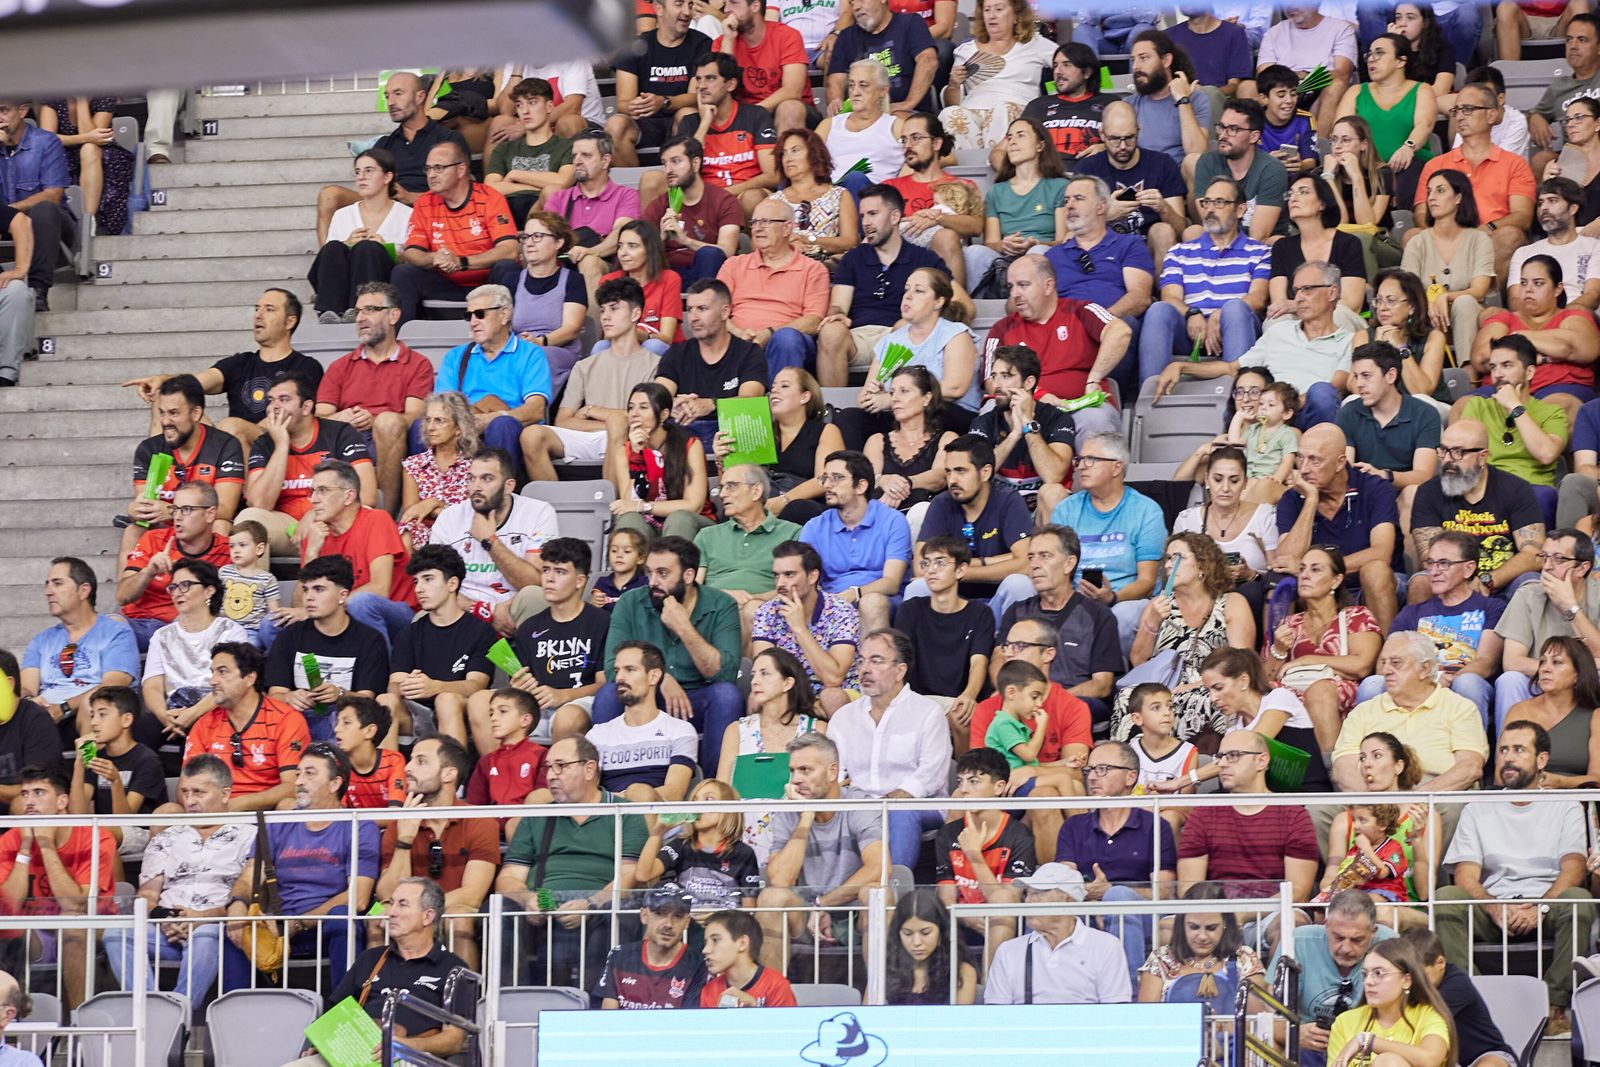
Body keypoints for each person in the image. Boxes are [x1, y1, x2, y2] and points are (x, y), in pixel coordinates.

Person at [1436, 719, 1593, 1027]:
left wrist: (1540, 907)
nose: (1507, 757)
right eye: (1503, 749)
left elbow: (1574, 869)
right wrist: (1495, 907)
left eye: (1519, 750)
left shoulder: (1566, 805)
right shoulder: (1477, 807)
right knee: (1446, 897)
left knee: (1579, 900)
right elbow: (1466, 876)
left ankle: (1553, 1006)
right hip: (1493, 907)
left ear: (1542, 759)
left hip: (1548, 907)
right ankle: (1476, 1006)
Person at [220, 743, 380, 991]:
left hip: (321, 927)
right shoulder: (279, 822)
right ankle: (237, 1018)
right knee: (237, 926)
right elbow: (249, 876)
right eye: (297, 774)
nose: (299, 781)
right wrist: (237, 906)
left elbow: (357, 899)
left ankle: (343, 1016)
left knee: (342, 919)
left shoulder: (359, 826)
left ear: (335, 784)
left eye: (310, 773)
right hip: (279, 925)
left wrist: (297, 923)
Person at [493, 734, 647, 984]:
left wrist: (591, 905)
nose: (551, 775)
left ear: (589, 769)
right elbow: (509, 877)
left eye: (561, 766)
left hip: (599, 905)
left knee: (619, 910)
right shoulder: (537, 816)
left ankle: (596, 1008)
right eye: (548, 768)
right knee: (498, 908)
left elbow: (629, 876)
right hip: (546, 901)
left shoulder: (625, 813)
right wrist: (529, 899)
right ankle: (512, 1001)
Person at [591, 536, 743, 773]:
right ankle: (604, 787)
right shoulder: (631, 602)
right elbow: (612, 667)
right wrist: (659, 678)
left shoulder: (722, 605)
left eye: (663, 573)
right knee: (609, 694)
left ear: (689, 576)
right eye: (649, 572)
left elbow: (726, 674)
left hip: (697, 700)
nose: (653, 582)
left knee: (727, 696)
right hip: (648, 697)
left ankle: (714, 790)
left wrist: (684, 627)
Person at [102, 755, 248, 1002]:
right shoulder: (166, 838)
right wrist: (168, 919)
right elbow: (147, 896)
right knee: (115, 932)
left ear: (225, 794)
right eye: (185, 792)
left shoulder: (248, 835)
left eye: (199, 793)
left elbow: (247, 894)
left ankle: (178, 1018)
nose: (189, 801)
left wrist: (200, 919)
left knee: (205, 935)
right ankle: (149, 1012)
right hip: (168, 929)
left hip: (218, 926)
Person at [281, 878, 471, 1067]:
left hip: (412, 1057)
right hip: (356, 1053)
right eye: (391, 903)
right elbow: (335, 1013)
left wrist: (407, 1045)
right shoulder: (371, 959)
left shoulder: (453, 969)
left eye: (402, 905)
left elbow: (454, 1040)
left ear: (427, 916)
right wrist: (327, 1044)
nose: (391, 912)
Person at [121, 289, 323, 454]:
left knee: (231, 426)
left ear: (289, 322)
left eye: (269, 309)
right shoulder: (241, 362)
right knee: (163, 397)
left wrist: (236, 428)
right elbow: (195, 383)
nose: (258, 315)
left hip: (273, 438)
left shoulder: (305, 366)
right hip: (230, 438)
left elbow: (294, 418)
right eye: (256, 309)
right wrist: (163, 380)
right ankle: (160, 483)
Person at [755, 733, 886, 971]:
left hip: (854, 914)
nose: (796, 779)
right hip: (804, 917)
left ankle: (875, 1000)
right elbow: (780, 880)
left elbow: (879, 868)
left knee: (876, 892)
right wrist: (806, 815)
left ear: (832, 771)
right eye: (793, 770)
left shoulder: (858, 804)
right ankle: (771, 1001)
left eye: (806, 770)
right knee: (770, 897)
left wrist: (822, 904)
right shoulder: (789, 811)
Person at [1110, 534, 1256, 744]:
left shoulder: (1231, 603)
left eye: (1178, 557)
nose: (1169, 565)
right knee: (1129, 697)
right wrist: (1151, 623)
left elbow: (1243, 662)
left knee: (1207, 699)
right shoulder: (1159, 604)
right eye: (1167, 558)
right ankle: (1130, 766)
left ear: (1202, 564)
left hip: (1213, 685)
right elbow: (1138, 662)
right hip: (1164, 685)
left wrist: (1195, 685)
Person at [828, 629, 953, 868]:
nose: (865, 669)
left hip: (919, 805)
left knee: (901, 811)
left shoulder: (927, 712)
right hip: (860, 806)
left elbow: (931, 775)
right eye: (861, 661)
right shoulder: (843, 718)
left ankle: (892, 891)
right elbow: (835, 774)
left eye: (876, 661)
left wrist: (886, 803)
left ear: (900, 670)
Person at [519, 277, 662, 483]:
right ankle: (556, 506)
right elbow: (563, 420)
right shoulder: (585, 365)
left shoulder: (655, 364)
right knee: (531, 435)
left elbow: (646, 420)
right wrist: (613, 424)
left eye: (614, 309)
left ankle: (614, 506)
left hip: (633, 440)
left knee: (619, 423)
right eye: (603, 310)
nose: (605, 317)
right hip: (592, 436)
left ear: (635, 314)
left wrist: (591, 411)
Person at [1055, 740, 1177, 980]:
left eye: (1103, 769)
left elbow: (1162, 893)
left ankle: (1127, 992)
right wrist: (1091, 896)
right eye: (1089, 770)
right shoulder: (1073, 827)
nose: (1092, 777)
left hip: (1140, 914)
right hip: (1086, 909)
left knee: (1118, 897)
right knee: (1047, 908)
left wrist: (1110, 893)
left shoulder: (1154, 826)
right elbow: (1062, 883)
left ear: (1130, 777)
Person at [374, 734, 497, 967]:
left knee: (460, 917)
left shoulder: (480, 821)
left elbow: (472, 894)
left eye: (421, 761)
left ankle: (465, 998)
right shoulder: (397, 823)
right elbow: (385, 893)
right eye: (410, 760)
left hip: (451, 907)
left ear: (449, 774)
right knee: (374, 913)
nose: (408, 768)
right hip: (403, 906)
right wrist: (405, 840)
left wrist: (417, 913)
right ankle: (375, 997)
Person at [0, 766, 117, 1012]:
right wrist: (24, 849)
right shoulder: (11, 838)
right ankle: (9, 1027)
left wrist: (46, 846)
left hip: (92, 925)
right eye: (24, 794)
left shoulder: (95, 837)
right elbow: (8, 905)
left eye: (39, 793)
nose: (29, 802)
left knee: (71, 923)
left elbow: (75, 904)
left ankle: (78, 1028)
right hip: (38, 933)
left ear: (62, 801)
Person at [818, 185, 955, 391]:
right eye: (863, 216)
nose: (866, 223)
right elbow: (838, 305)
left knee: (904, 329)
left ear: (894, 217)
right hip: (860, 336)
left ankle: (885, 403)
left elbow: (962, 304)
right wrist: (836, 314)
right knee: (830, 331)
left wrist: (921, 317)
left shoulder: (924, 258)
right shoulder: (853, 258)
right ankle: (834, 409)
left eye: (873, 214)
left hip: (903, 332)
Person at [981, 255, 1129, 442]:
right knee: (990, 409)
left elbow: (1120, 331)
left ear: (1048, 286)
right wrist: (1037, 395)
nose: (1014, 294)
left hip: (1082, 408)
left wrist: (1094, 379)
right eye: (1011, 287)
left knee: (1096, 419)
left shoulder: (1081, 310)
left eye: (1023, 285)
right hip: (1024, 408)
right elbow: (991, 382)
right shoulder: (1002, 329)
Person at [1142, 177, 1270, 390]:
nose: (1210, 209)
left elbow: (1257, 299)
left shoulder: (1259, 252)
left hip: (1234, 328)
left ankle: (1237, 398)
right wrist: (1192, 314)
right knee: (1158, 310)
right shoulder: (1180, 252)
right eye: (1206, 202)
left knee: (1236, 309)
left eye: (1219, 202)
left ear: (1240, 210)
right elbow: (1170, 297)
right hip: (1190, 331)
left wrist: (1220, 314)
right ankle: (1149, 398)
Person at [1367, 532, 1505, 729]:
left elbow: (1486, 663)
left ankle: (1472, 753)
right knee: (1372, 684)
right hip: (1417, 683)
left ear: (1468, 569)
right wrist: (1430, 682)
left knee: (1468, 683)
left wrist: (1448, 681)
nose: (1434, 571)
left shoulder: (1491, 608)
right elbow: (1384, 664)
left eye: (1443, 563)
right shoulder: (1412, 613)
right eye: (1430, 563)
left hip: (1464, 684)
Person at [314, 283, 432, 512]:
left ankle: (383, 517)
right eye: (358, 311)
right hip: (347, 437)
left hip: (389, 438)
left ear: (393, 315)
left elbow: (415, 415)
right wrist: (342, 417)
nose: (360, 318)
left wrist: (376, 419)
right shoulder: (340, 366)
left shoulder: (418, 364)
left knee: (388, 422)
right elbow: (320, 415)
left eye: (370, 310)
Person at [1274, 426, 1402, 630]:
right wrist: (1311, 501)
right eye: (1301, 458)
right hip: (1318, 590)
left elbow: (1382, 553)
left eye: (1315, 460)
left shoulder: (1374, 488)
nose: (1304, 469)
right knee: (1280, 584)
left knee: (1375, 570)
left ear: (1340, 462)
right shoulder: (1292, 499)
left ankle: (1385, 657)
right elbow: (1285, 560)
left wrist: (1322, 569)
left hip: (1369, 585)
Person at [313, 72, 467, 240]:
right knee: (329, 195)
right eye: (387, 96)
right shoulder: (385, 144)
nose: (391, 102)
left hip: (430, 207)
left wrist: (410, 196)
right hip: (384, 204)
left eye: (398, 94)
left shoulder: (448, 139)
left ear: (420, 97)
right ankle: (328, 260)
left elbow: (462, 192)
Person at [235, 370, 374, 556]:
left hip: (331, 522)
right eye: (270, 400)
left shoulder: (341, 434)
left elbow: (367, 494)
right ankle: (253, 586)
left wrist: (317, 514)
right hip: (287, 528)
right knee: (248, 521)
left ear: (306, 407)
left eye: (283, 399)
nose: (273, 407)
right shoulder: (264, 443)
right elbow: (259, 503)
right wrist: (281, 445)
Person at [1048, 431, 1163, 654]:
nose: (1081, 466)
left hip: (1125, 600)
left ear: (1116, 467)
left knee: (1122, 616)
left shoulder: (1146, 511)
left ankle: (1114, 681)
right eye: (1079, 460)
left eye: (1091, 459)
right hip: (1072, 597)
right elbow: (1055, 569)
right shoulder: (1066, 510)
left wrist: (1112, 597)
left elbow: (1147, 581)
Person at [840, 266, 978, 450]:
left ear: (938, 301)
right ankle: (860, 476)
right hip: (899, 418)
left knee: (937, 413)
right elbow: (864, 397)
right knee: (849, 418)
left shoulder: (954, 334)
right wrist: (874, 395)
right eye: (907, 289)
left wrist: (892, 399)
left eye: (919, 290)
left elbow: (955, 388)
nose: (908, 296)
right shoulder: (890, 341)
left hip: (944, 415)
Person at [1332, 631, 1491, 792]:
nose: (1386, 670)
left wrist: (1415, 800)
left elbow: (1469, 767)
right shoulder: (1363, 711)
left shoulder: (1460, 708)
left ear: (1424, 669)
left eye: (1396, 662)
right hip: (1372, 792)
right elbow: (1343, 767)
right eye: (1383, 663)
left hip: (1437, 792)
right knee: (1317, 811)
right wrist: (1375, 803)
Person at [1177, 729, 1321, 904]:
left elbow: (1297, 893)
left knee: (1292, 926)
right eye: (1220, 756)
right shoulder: (1203, 815)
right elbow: (1189, 889)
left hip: (1273, 914)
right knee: (1166, 927)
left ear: (1261, 761)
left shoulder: (1294, 816)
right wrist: (1222, 917)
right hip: (1214, 915)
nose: (1222, 763)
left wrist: (1243, 915)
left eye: (1233, 755)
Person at [427, 447, 558, 635]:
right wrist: (483, 611)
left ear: (509, 486)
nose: (476, 487)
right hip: (465, 610)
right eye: (471, 478)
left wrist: (490, 541)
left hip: (514, 609)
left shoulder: (538, 513)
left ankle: (531, 662)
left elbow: (535, 583)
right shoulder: (449, 518)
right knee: (424, 612)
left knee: (534, 596)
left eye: (487, 479)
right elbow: (435, 583)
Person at [1411, 420, 1545, 602]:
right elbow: (1428, 555)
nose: (1448, 460)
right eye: (1443, 450)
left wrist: (1488, 579)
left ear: (1482, 457)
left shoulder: (1516, 489)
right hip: (1449, 578)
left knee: (1531, 584)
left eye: (1458, 452)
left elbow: (1533, 555)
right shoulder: (1429, 492)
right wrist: (1461, 581)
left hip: (1503, 581)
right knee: (1420, 582)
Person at [715, 647, 826, 864]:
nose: (755, 681)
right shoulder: (736, 731)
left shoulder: (817, 730)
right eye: (753, 674)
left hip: (798, 839)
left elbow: (828, 792)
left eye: (765, 673)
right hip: (740, 846)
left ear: (788, 683)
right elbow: (722, 793)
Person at [1266, 545, 1385, 749]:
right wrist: (1278, 650)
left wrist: (1305, 660)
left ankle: (1333, 770)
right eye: (1302, 569)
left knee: (1320, 691)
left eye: (1315, 569)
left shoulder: (1356, 616)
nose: (1304, 575)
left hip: (1336, 693)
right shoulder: (1290, 623)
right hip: (1292, 691)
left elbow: (1361, 665)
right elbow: (1268, 676)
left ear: (1336, 580)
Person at [996, 528, 1120, 722]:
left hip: (1072, 704)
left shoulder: (1098, 615)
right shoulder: (1016, 612)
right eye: (1031, 558)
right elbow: (998, 660)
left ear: (1069, 564)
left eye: (1045, 556)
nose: (1035, 565)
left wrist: (1048, 701)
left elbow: (1101, 685)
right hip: (1019, 702)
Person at [263, 556, 391, 743]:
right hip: (295, 722)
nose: (309, 597)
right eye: (306, 589)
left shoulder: (369, 640)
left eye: (319, 589)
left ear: (342, 595)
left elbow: (367, 700)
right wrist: (290, 697)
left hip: (342, 725)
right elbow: (275, 694)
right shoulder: (290, 636)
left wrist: (340, 695)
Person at [1416, 86, 1536, 283]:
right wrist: (1451, 233)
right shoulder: (1435, 165)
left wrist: (1486, 228)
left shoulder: (1515, 164)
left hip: (1491, 238)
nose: (1460, 116)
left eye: (1468, 109)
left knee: (1510, 235)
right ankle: (1430, 303)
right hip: (1444, 239)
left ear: (1491, 115)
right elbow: (1421, 214)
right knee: (1412, 236)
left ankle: (1486, 296)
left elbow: (1523, 216)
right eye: (1456, 111)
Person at [122, 373, 244, 568]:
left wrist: (172, 511)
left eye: (174, 413)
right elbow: (146, 505)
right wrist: (136, 510)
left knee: (220, 524)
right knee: (132, 530)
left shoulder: (225, 445)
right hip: (164, 531)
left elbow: (225, 509)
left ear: (195, 414)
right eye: (161, 413)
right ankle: (129, 597)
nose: (165, 421)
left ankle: (210, 590)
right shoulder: (149, 449)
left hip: (204, 529)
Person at [390, 141, 519, 324]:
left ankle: (509, 340)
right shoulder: (424, 203)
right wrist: (434, 258)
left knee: (507, 267)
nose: (432, 175)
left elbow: (510, 249)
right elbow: (412, 252)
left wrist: (462, 262)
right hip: (444, 283)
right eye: (428, 169)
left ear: (460, 170)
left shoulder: (490, 198)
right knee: (404, 272)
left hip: (487, 283)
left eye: (439, 168)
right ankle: (399, 345)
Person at [381, 544, 494, 748]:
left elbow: (476, 686)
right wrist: (407, 686)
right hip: (417, 711)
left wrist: (435, 687)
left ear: (452, 584)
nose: (418, 589)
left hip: (461, 710)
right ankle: (387, 777)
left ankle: (453, 777)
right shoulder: (409, 633)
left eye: (428, 579)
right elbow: (394, 684)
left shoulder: (480, 631)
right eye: (416, 581)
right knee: (385, 701)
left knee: (446, 700)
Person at [1042, 174, 1156, 376]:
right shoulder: (1052, 256)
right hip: (1064, 337)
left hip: (1112, 331)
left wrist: (1098, 323)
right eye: (1067, 200)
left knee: (1124, 326)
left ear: (1101, 207)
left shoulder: (1129, 245)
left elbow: (1140, 297)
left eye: (1079, 198)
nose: (1070, 205)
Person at [1272, 890, 1399, 1067]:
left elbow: (1403, 1012)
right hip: (1308, 1047)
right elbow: (1268, 1012)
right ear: (1326, 925)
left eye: (1357, 940)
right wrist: (1293, 1033)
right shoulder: (1298, 941)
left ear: (1373, 932)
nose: (1345, 948)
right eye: (1338, 937)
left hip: (1366, 1047)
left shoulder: (1390, 945)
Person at [1470, 257, 1600, 428]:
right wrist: (1547, 355)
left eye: (1538, 283)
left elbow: (1583, 349)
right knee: (1465, 405)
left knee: (1557, 406)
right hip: (1501, 389)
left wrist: (1518, 337)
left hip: (1560, 387)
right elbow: (1482, 358)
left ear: (1557, 289)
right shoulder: (1504, 318)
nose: (1528, 290)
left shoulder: (1572, 316)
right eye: (1523, 283)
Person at [181, 642, 308, 812]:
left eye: (222, 672)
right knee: (166, 811)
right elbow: (185, 785)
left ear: (249, 678)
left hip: (266, 815)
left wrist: (237, 805)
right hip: (212, 812)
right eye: (213, 673)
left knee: (288, 805)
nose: (212, 681)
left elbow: (293, 786)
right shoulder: (204, 724)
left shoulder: (287, 719)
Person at [1494, 528, 1600, 732]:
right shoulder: (1527, 595)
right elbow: (1512, 661)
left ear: (1582, 568)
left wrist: (1571, 607)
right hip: (1542, 680)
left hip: (1589, 682)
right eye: (1544, 557)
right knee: (1510, 680)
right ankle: (1508, 759)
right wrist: (1560, 674)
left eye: (1559, 559)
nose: (1547, 567)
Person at [982, 863, 1132, 1004]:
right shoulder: (1008, 951)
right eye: (1027, 894)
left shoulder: (1105, 946)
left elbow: (1116, 1013)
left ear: (1068, 899)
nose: (1029, 900)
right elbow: (996, 1017)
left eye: (1038, 893)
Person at [799, 449, 913, 634]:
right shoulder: (815, 527)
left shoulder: (892, 521)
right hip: (832, 601)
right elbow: (804, 579)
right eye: (825, 478)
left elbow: (891, 582)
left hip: (883, 600)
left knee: (871, 602)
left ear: (860, 486)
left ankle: (873, 661)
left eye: (836, 478)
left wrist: (855, 593)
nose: (827, 485)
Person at [20, 556, 139, 734]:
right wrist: (29, 701)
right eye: (47, 584)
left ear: (83, 591)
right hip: (46, 717)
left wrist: (64, 708)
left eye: (57, 583)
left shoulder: (116, 633)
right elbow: (26, 687)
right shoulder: (41, 640)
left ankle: (88, 761)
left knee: (91, 703)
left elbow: (112, 686)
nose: (48, 591)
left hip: (91, 716)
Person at [717, 197, 829, 380]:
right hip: (737, 339)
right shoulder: (733, 265)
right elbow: (716, 310)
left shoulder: (812, 269)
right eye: (754, 222)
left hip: (787, 343)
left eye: (766, 222)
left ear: (787, 228)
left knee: (786, 339)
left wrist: (769, 334)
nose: (758, 228)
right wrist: (738, 333)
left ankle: (779, 401)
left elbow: (813, 321)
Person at [933, 748, 1033, 946]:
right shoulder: (948, 833)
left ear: (998, 788)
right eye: (960, 781)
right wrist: (966, 917)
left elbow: (1008, 901)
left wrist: (974, 856)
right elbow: (946, 898)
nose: (963, 790)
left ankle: (992, 978)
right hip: (960, 922)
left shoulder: (1019, 835)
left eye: (974, 782)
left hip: (1003, 924)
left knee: (1001, 914)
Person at [116, 480, 232, 651]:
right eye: (175, 509)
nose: (177, 517)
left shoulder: (228, 550)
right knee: (110, 626)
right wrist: (149, 571)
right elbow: (122, 596)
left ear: (209, 514)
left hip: (192, 627)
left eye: (186, 510)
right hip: (142, 624)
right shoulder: (153, 539)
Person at [655, 278, 768, 451]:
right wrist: (673, 404)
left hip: (732, 434)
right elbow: (657, 397)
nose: (693, 318)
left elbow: (750, 402)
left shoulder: (749, 353)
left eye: (702, 309)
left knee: (748, 423)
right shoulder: (676, 354)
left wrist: (711, 405)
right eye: (690, 310)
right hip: (684, 432)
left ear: (725, 312)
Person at [1073, 100, 1188, 269]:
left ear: (1138, 131)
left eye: (1129, 138)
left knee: (1163, 231)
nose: (1122, 146)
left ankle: (1166, 294)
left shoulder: (1162, 163)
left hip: (1151, 247)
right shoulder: (1087, 169)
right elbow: (1074, 232)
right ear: (1102, 135)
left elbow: (1181, 230)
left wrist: (1164, 208)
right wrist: (1107, 215)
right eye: (1114, 139)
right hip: (1106, 250)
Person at [537, 132, 644, 313]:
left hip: (608, 268)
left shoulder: (625, 195)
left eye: (586, 155)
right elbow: (542, 239)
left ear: (605, 160)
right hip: (562, 268)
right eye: (574, 156)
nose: (577, 161)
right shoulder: (559, 198)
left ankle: (593, 337)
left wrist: (590, 251)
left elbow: (621, 233)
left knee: (589, 262)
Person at [140, 560, 248, 739]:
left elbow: (231, 683)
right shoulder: (162, 636)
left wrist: (194, 712)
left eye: (185, 585)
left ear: (209, 590)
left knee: (201, 729)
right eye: (173, 587)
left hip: (215, 708)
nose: (177, 593)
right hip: (173, 712)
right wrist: (163, 715)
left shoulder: (231, 631)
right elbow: (152, 685)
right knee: (141, 730)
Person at [750, 540, 859, 714]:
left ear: (812, 576)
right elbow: (764, 673)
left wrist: (800, 628)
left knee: (831, 696)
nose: (780, 584)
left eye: (789, 574)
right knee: (756, 697)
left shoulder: (841, 611)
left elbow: (833, 678)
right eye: (777, 575)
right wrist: (802, 701)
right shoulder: (767, 612)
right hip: (789, 691)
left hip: (837, 691)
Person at [1399, 170, 1495, 367]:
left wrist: (1447, 296)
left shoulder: (1479, 239)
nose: (1431, 197)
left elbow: (1479, 290)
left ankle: (1469, 375)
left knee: (1465, 302)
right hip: (1425, 318)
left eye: (1440, 191)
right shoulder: (1417, 242)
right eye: (1429, 191)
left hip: (1467, 316)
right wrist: (1429, 302)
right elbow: (1408, 289)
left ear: (1459, 198)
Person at [1173, 446, 1281, 618]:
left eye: (1234, 480)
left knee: (1250, 590)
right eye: (1218, 479)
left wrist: (1250, 574)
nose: (1225, 488)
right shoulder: (1187, 520)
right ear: (1207, 480)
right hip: (1199, 598)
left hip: (1250, 600)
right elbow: (1173, 573)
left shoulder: (1265, 516)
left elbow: (1277, 573)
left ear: (1245, 482)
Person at [964, 117, 1067, 295]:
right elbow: (991, 242)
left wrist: (1036, 243)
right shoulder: (997, 191)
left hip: (1042, 254)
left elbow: (1063, 241)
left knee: (1038, 251)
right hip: (1004, 259)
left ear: (1040, 146)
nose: (1012, 142)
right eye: (1009, 137)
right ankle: (980, 310)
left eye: (1020, 135)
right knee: (973, 253)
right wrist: (1003, 246)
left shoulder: (1059, 186)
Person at [966, 344, 1074, 512]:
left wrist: (1027, 424)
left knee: (1053, 492)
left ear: (1029, 382)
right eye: (994, 376)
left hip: (1041, 514)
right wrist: (1014, 435)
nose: (997, 384)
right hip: (1001, 515)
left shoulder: (1057, 418)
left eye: (1006, 376)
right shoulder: (984, 422)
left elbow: (1053, 475)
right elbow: (976, 475)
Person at [586, 640, 699, 801]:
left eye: (630, 670)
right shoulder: (598, 735)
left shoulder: (680, 730)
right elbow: (587, 795)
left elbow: (674, 792)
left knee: (639, 791)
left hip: (657, 819)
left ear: (653, 676)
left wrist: (633, 797)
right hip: (609, 821)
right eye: (617, 671)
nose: (620, 677)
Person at [670, 54, 780, 219]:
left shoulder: (756, 115)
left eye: (710, 78)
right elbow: (683, 174)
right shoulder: (690, 123)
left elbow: (772, 175)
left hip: (745, 194)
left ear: (730, 84)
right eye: (699, 80)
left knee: (752, 198)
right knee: (653, 180)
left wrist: (728, 192)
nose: (702, 86)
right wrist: (705, 123)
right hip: (703, 199)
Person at [937, 0, 1057, 151]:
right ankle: (969, 171)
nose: (992, 16)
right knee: (949, 113)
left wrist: (1052, 98)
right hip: (973, 111)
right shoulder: (965, 51)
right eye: (987, 10)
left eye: (999, 9)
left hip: (1018, 110)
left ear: (1015, 16)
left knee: (1003, 110)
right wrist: (954, 84)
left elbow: (1067, 64)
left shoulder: (1037, 45)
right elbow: (952, 103)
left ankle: (999, 167)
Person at [1337, 342, 1441, 514]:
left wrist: (1384, 476)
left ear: (1391, 375)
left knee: (1413, 493)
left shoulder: (1425, 413)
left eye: (1366, 376)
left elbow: (1424, 475)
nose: (1359, 384)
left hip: (1402, 497)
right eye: (1356, 376)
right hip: (1362, 496)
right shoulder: (1348, 412)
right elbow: (1345, 469)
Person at [309, 149, 412, 322]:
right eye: (357, 172)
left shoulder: (407, 215)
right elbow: (327, 261)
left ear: (387, 177)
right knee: (334, 247)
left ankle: (361, 309)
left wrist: (385, 248)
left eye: (369, 171)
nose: (361, 177)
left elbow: (413, 260)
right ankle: (330, 312)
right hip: (346, 282)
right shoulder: (342, 215)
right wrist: (346, 244)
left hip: (385, 283)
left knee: (367, 248)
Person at [1458, 334, 1572, 490]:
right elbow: (1463, 458)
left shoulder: (1552, 413)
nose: (1498, 374)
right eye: (1493, 367)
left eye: (1507, 365)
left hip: (1532, 491)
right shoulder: (1478, 406)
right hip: (1487, 491)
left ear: (1529, 372)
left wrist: (1514, 406)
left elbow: (1546, 454)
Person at [883, 113, 985, 286]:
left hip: (944, 261)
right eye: (904, 140)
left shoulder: (961, 185)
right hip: (901, 265)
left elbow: (976, 227)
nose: (908, 146)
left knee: (946, 236)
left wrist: (937, 218)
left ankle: (955, 306)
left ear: (936, 143)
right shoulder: (890, 187)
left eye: (915, 138)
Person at [609, 0, 712, 169]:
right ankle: (634, 193)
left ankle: (676, 195)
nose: (687, 12)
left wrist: (663, 102)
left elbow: (697, 97)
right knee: (615, 125)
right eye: (679, 4)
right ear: (659, 9)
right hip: (644, 124)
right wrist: (639, 105)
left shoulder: (701, 44)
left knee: (687, 114)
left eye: (690, 5)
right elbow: (623, 103)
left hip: (679, 120)